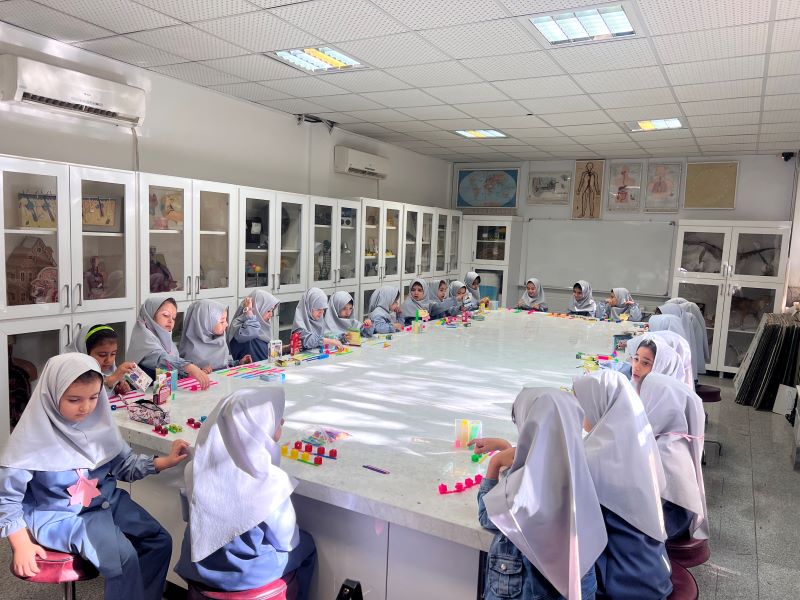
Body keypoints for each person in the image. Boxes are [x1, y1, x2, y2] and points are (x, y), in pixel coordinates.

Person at [0, 354, 188, 600]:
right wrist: (21, 543)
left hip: (107, 501)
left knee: (159, 541)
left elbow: (125, 465)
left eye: (94, 397)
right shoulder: (30, 440)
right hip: (63, 515)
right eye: (74, 399)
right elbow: (7, 498)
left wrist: (165, 461)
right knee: (122, 559)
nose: (86, 408)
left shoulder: (99, 425)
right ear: (50, 396)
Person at [174, 388, 316, 598]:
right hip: (244, 575)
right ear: (257, 428)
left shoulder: (195, 469)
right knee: (307, 545)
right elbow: (285, 539)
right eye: (276, 418)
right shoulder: (270, 481)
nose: (282, 421)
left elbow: (190, 516)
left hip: (198, 567)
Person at [475, 388, 606, 599]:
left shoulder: (526, 488)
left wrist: (495, 463)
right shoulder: (583, 471)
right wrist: (507, 447)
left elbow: (487, 516)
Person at [572, 371, 672, 600]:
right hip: (653, 571)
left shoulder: (594, 460)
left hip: (622, 583)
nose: (576, 411)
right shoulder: (637, 444)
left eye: (580, 403)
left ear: (598, 404)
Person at [639, 374, 708, 542]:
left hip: (666, 531)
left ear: (659, 406)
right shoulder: (674, 440)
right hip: (673, 523)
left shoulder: (665, 451)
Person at [127, 298, 210, 389]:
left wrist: (192, 372)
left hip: (162, 391)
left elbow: (173, 369)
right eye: (165, 315)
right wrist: (188, 366)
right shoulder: (143, 338)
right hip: (141, 393)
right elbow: (160, 358)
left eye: (173, 318)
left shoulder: (166, 341)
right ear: (150, 316)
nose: (171, 321)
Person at [179, 299, 250, 372]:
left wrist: (238, 363)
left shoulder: (219, 340)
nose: (226, 324)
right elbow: (184, 375)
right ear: (205, 323)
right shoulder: (191, 353)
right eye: (222, 321)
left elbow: (223, 364)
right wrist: (200, 372)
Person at [64, 324, 136, 395]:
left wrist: (117, 388)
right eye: (102, 355)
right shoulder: (72, 371)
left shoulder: (109, 370)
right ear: (85, 351)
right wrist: (110, 381)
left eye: (113, 354)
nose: (108, 360)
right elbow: (87, 397)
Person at [228, 290, 279, 363]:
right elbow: (251, 332)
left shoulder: (262, 324)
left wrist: (286, 348)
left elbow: (267, 352)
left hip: (266, 367)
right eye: (268, 311)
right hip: (250, 369)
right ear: (257, 308)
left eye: (272, 311)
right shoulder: (242, 325)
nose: (271, 314)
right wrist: (249, 312)